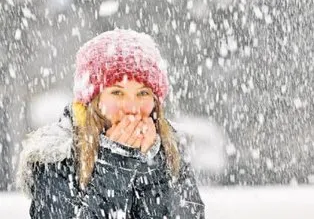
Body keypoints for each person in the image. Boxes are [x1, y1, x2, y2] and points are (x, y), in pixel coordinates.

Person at [16, 29, 205, 218]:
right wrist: (116, 166)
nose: (132, 108)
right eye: (117, 92)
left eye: (143, 93)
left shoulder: (170, 150)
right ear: (93, 101)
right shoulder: (57, 158)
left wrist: (151, 167)